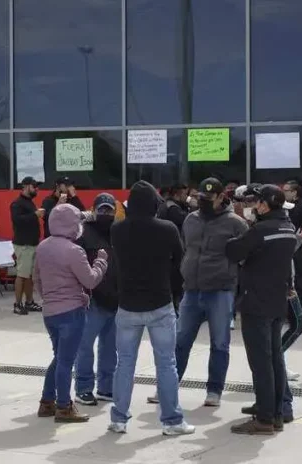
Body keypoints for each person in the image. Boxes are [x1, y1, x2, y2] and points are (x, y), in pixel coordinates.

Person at [108, 181, 195, 436]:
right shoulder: (167, 228)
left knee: (124, 364)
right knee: (166, 364)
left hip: (128, 304)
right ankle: (171, 421)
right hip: (160, 302)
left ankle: (119, 418)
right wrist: (174, 291)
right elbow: (180, 262)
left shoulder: (117, 230)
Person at [162, 178, 248, 408]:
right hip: (191, 291)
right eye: (201, 198)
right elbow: (185, 249)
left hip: (220, 291)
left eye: (209, 199)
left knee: (219, 343)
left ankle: (214, 390)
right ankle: (169, 387)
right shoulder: (191, 219)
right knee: (180, 341)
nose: (204, 202)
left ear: (221, 197)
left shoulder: (236, 224)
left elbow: (245, 256)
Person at [225, 184, 299, 435]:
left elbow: (234, 251)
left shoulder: (261, 230)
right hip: (277, 301)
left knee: (261, 362)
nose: (252, 206)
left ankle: (264, 419)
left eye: (255, 202)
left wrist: (233, 237)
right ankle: (276, 412)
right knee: (275, 359)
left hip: (256, 302)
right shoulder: (288, 228)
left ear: (265, 205)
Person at [34, 203, 108, 423]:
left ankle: (47, 402)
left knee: (59, 359)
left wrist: (48, 298)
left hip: (50, 312)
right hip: (71, 312)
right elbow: (90, 280)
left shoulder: (43, 247)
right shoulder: (74, 250)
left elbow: (37, 278)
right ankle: (64, 407)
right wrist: (101, 262)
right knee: (67, 361)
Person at [74, 193, 119, 407]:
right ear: (94, 210)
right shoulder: (83, 235)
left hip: (116, 301)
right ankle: (83, 388)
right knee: (84, 346)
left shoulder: (119, 233)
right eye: (101, 210)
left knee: (110, 348)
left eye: (109, 210)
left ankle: (106, 388)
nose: (105, 214)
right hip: (92, 301)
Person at [10, 176, 44, 315]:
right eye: (33, 186)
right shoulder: (17, 204)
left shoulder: (29, 202)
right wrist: (35, 215)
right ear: (25, 186)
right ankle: (17, 304)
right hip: (23, 244)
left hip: (32, 243)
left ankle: (29, 302)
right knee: (22, 275)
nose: (36, 189)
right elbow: (17, 220)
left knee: (29, 275)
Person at [283, 180, 302, 325]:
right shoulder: (284, 207)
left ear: (295, 192)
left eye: (286, 190)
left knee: (299, 281)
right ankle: (288, 314)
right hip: (285, 245)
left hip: (297, 246)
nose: (284, 193)